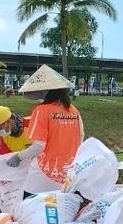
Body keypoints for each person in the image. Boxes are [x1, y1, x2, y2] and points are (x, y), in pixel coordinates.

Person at [15, 65, 82, 193]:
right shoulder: (74, 111)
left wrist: (19, 157)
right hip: (68, 173)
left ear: (46, 91)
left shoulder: (41, 111)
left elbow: (39, 146)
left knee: (31, 206)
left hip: (43, 174)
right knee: (62, 210)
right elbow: (81, 137)